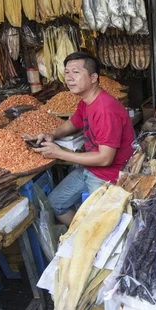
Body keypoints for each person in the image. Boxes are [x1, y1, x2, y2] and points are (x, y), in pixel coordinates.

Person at [29, 52, 134, 225]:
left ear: (93, 77)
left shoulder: (105, 109)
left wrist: (59, 153)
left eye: (76, 72)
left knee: (105, 224)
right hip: (90, 168)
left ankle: (96, 240)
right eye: (67, 72)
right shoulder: (86, 101)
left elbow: (105, 158)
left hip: (109, 175)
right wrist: (52, 134)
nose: (69, 78)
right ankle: (81, 233)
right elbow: (73, 123)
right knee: (56, 203)